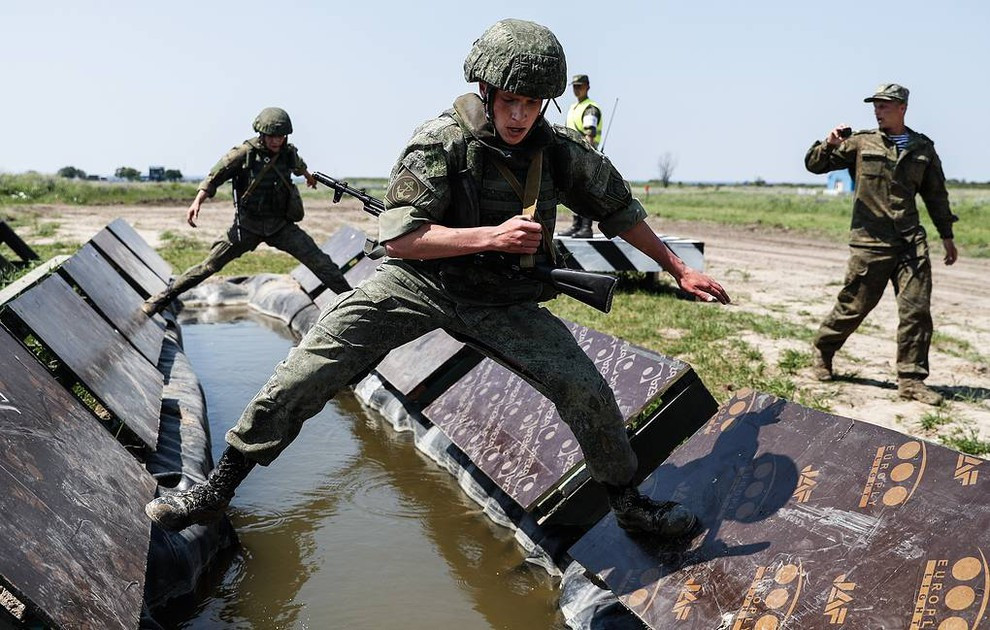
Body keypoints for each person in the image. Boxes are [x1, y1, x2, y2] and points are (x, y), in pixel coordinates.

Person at [146, 19, 729, 540]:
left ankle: (628, 506)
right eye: (509, 101)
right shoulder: (440, 140)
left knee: (584, 388)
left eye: (531, 102)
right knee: (311, 364)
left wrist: (679, 269)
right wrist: (490, 237)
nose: (519, 115)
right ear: (487, 92)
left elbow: (620, 210)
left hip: (504, 300)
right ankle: (216, 490)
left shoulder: (561, 152)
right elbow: (398, 240)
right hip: (420, 282)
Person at [805, 83, 958, 405]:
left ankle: (911, 380)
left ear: (901, 107)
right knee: (853, 307)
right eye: (875, 105)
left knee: (916, 311)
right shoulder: (860, 143)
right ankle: (823, 350)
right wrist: (828, 143)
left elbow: (935, 195)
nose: (877, 110)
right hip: (870, 243)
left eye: (884, 105)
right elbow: (816, 165)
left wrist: (947, 236)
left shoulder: (922, 147)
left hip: (910, 243)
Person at [141, 107, 350, 315]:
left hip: (280, 226)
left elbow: (300, 166)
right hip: (247, 227)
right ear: (262, 134)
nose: (277, 141)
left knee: (321, 263)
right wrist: (197, 202)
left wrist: (308, 177)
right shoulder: (243, 154)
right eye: (272, 136)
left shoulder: (288, 153)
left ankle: (357, 305)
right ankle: (159, 300)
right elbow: (214, 177)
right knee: (209, 266)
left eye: (281, 136)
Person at [559, 74, 602, 239]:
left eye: (580, 86)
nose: (577, 89)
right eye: (575, 86)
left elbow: (589, 134)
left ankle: (586, 227)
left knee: (585, 192)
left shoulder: (590, 108)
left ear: (587, 87)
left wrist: (586, 156)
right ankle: (576, 224)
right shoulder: (574, 107)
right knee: (573, 191)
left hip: (585, 155)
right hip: (571, 154)